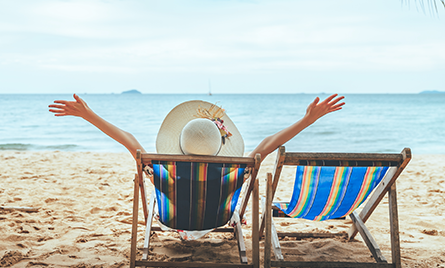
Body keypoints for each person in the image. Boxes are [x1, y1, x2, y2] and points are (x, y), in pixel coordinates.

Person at [48, 94, 345, 161]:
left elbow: (129, 141)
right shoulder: (237, 171)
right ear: (221, 144)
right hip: (218, 216)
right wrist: (308, 120)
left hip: (175, 219)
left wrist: (89, 115)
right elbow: (268, 144)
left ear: (178, 141)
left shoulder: (163, 170)